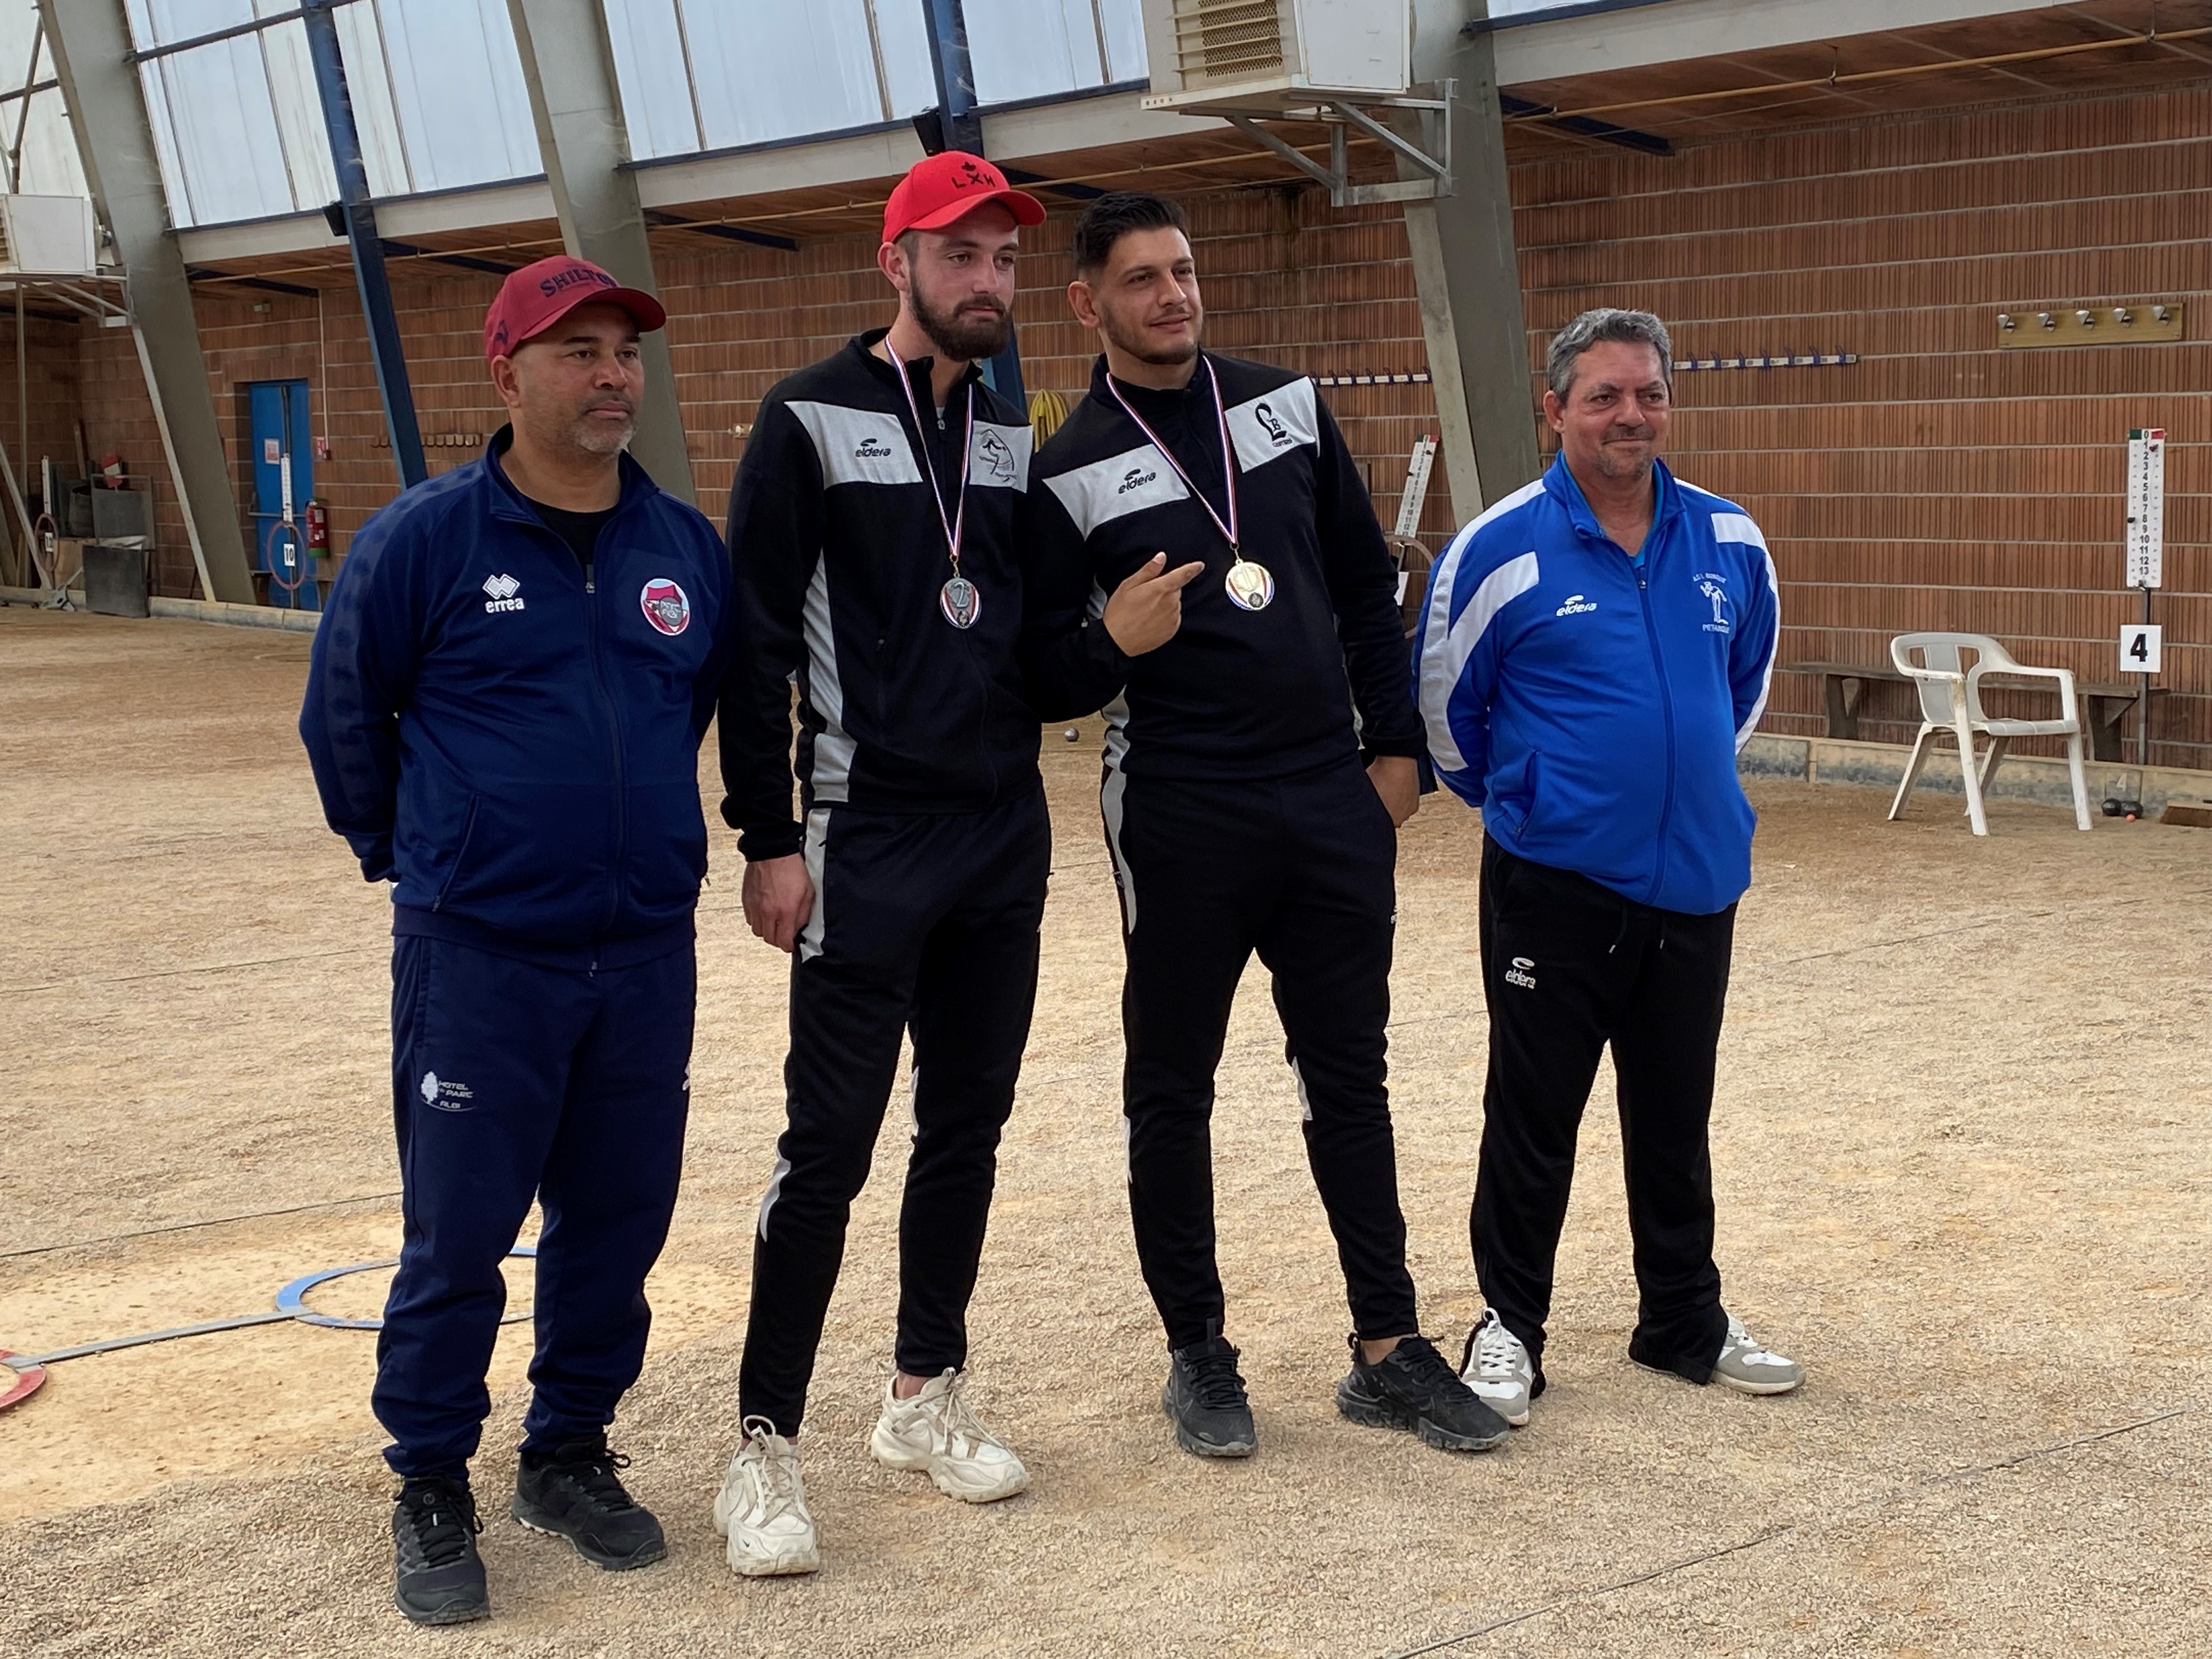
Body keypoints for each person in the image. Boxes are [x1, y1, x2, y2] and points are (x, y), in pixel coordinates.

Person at [1020, 191, 1510, 1461]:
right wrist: (1102, 644)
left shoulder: (1285, 406)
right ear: (1089, 304)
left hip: (1326, 797)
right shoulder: (1064, 470)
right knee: (1171, 1087)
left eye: (1182, 271)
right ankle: (1199, 1351)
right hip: (1181, 808)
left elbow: (1364, 582)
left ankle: (1388, 1349)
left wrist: (1394, 753)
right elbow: (1038, 676)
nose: (1171, 296)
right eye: (1140, 280)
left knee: (1350, 1072)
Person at [299, 255, 735, 1625]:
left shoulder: (683, 549)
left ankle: (568, 1450)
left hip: (645, 952)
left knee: (617, 1221)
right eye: (578, 351)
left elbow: (695, 714)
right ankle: (432, 1474)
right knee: (460, 1231)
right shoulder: (427, 539)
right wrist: (426, 863)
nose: (612, 374)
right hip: (481, 956)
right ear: (509, 373)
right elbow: (342, 725)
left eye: (625, 352)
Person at [712, 151, 1070, 1578]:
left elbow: (1036, 645)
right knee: (827, 1156)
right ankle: (763, 1446)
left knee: (966, 1136)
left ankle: (922, 1396)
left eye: (1006, 260)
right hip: (863, 838)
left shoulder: (1013, 429)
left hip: (1002, 839)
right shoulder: (805, 417)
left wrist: (1143, 638)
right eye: (964, 255)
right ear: (898, 264)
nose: (991, 281)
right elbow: (746, 648)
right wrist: (767, 839)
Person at [1413, 306, 1804, 1431]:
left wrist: (1676, 784)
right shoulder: (1496, 548)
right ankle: (1507, 1328)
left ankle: (1681, 1319)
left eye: (1648, 394)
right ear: (1556, 409)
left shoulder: (1729, 539)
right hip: (1556, 885)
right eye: (1604, 396)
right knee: (1534, 1116)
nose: (1630, 414)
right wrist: (1542, 800)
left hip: (1697, 881)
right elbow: (1450, 714)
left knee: (1674, 1115)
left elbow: (1743, 686)